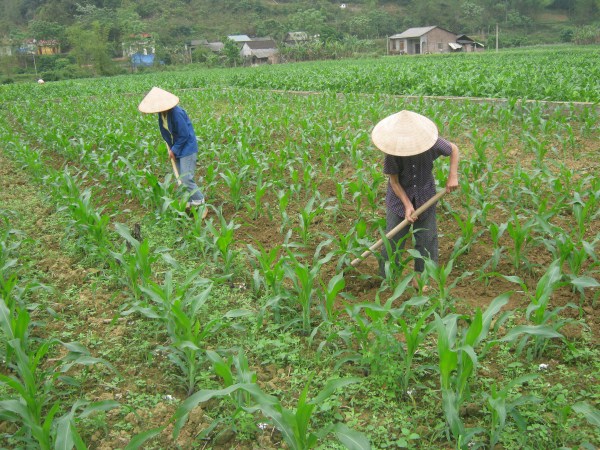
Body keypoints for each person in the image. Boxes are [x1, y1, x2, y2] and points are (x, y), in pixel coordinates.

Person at [372, 110, 459, 289]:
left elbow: (454, 149)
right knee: (393, 240)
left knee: (427, 240)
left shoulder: (431, 143)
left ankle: (422, 281)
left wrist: (453, 175)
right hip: (398, 201)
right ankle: (388, 280)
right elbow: (394, 182)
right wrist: (407, 205)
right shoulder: (392, 153)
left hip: (425, 195)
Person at [138, 87, 207, 216]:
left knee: (186, 178)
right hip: (177, 147)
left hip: (187, 148)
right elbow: (167, 133)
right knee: (181, 178)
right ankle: (192, 204)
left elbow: (184, 134)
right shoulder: (162, 114)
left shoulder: (176, 113)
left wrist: (174, 149)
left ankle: (200, 203)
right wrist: (171, 148)